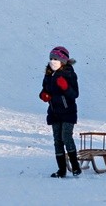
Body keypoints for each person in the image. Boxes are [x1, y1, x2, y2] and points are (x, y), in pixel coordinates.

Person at [39, 46, 81, 178]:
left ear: (63, 60)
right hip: (54, 111)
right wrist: (44, 95)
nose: (52, 61)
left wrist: (65, 87)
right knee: (57, 140)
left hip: (68, 111)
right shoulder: (49, 74)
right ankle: (61, 170)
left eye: (55, 59)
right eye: (51, 58)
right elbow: (45, 89)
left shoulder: (69, 74)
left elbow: (74, 94)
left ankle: (75, 167)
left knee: (66, 137)